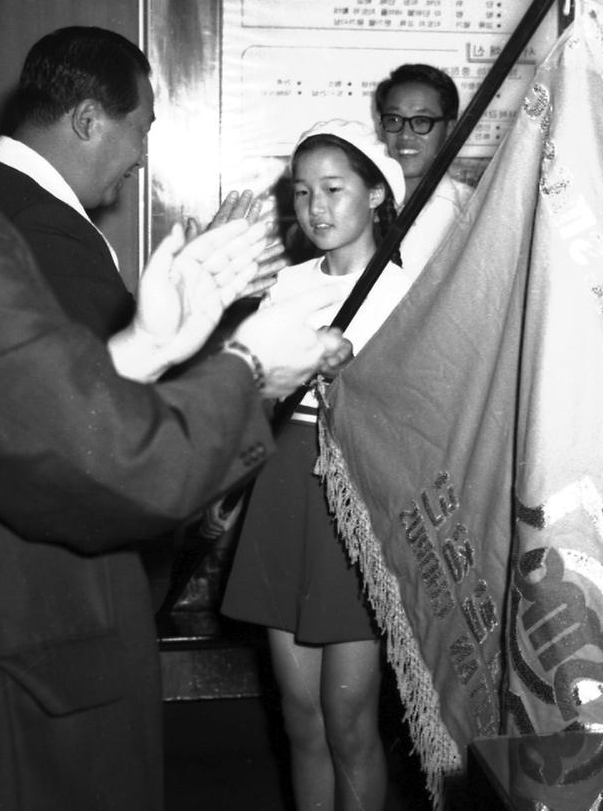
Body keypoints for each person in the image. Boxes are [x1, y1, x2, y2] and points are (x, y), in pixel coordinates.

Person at [0, 0, 350, 810]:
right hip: (2, 712)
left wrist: (145, 341)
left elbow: (10, 416)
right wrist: (256, 362)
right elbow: (115, 469)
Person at [222, 119, 411, 811]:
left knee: (349, 722)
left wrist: (356, 385)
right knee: (300, 718)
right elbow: (249, 395)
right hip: (282, 491)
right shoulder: (286, 286)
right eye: (302, 192)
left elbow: (422, 415)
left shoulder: (403, 292)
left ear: (376, 196)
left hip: (355, 497)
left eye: (334, 188)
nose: (317, 207)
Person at [0, 25, 283, 340]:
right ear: (87, 121)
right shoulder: (43, 226)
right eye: (141, 132)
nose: (141, 158)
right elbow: (115, 383)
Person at [374, 62, 474, 274]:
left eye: (421, 121)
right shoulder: (358, 206)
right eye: (393, 119)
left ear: (449, 128)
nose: (405, 135)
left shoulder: (474, 211)